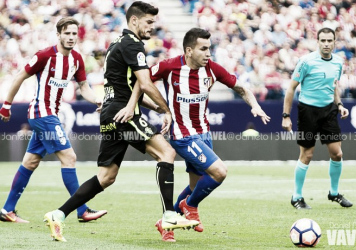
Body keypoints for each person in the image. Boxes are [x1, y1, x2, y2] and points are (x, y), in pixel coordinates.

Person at [43, 2, 198, 242]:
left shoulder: (117, 43)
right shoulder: (132, 44)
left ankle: (58, 214)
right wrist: (166, 111)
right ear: (134, 21)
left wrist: (154, 106)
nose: (152, 27)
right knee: (166, 152)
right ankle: (169, 214)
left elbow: (127, 87)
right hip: (123, 115)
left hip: (111, 113)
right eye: (148, 22)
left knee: (106, 177)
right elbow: (145, 84)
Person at [128, 28, 270, 241]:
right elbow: (142, 81)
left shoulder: (212, 69)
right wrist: (137, 105)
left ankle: (166, 224)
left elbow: (242, 88)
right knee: (219, 172)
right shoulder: (169, 66)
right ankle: (189, 205)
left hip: (204, 133)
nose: (208, 54)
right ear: (189, 50)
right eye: (203, 49)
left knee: (196, 185)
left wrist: (255, 106)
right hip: (182, 135)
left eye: (209, 49)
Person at [0, 17, 107, 223]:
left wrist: (96, 100)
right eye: (66, 33)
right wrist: (6, 105)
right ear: (58, 35)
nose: (71, 37)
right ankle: (81, 210)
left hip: (51, 115)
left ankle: (7, 210)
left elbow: (83, 86)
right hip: (42, 114)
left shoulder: (76, 59)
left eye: (74, 33)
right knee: (69, 157)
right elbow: (20, 76)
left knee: (30, 162)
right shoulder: (45, 55)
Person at [282, 27, 353, 209]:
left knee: (337, 153)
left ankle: (334, 193)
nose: (327, 44)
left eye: (330, 41)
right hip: (308, 111)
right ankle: (296, 197)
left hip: (329, 110)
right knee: (307, 155)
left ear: (335, 42)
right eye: (323, 40)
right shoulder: (306, 62)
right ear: (318, 42)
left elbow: (333, 86)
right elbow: (291, 89)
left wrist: (339, 105)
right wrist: (286, 116)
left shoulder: (338, 62)